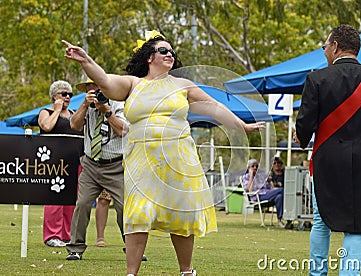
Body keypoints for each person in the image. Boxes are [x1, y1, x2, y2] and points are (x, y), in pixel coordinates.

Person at [62, 31, 265, 276]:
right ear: (149, 57)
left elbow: (216, 108)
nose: (170, 54)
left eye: (172, 52)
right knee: (138, 214)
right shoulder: (133, 84)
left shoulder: (182, 85)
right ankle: (131, 273)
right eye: (163, 51)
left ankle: (186, 271)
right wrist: (85, 60)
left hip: (179, 160)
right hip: (142, 162)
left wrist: (241, 126)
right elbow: (104, 80)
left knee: (181, 216)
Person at [295, 24, 361, 276]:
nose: (324, 52)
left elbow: (304, 128)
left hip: (326, 163)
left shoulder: (316, 79)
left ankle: (317, 273)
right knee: (356, 227)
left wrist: (302, 135)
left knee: (321, 221)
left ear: (335, 46)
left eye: (324, 47)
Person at [65, 79, 132, 261]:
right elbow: (74, 125)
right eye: (90, 88)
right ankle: (75, 249)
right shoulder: (85, 105)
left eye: (98, 87)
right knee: (83, 203)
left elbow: (123, 131)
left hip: (116, 165)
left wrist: (107, 112)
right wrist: (85, 105)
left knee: (124, 207)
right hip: (91, 164)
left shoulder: (119, 104)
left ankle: (133, 247)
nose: (95, 91)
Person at [38, 80, 83, 247]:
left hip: (74, 162)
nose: (68, 97)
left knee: (71, 201)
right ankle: (52, 235)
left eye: (70, 94)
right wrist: (57, 110)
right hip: (54, 162)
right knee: (54, 199)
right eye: (64, 94)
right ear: (54, 96)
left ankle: (66, 235)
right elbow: (46, 127)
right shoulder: (45, 112)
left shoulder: (73, 113)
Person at [242, 159, 285, 228]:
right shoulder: (246, 177)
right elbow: (249, 191)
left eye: (256, 166)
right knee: (282, 190)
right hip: (258, 197)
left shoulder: (261, 176)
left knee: (279, 196)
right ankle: (288, 217)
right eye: (253, 166)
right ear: (249, 168)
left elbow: (270, 188)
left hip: (267, 194)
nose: (255, 168)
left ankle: (279, 221)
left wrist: (270, 182)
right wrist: (251, 176)